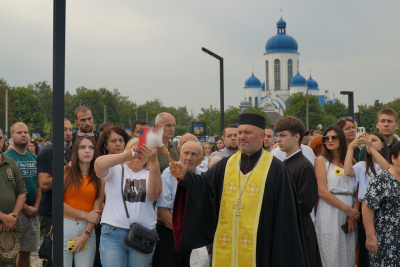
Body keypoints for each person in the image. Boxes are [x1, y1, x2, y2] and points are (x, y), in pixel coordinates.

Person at [169, 113, 308, 267]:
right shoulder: (226, 165)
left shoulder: (276, 169)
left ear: (262, 136)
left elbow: (285, 218)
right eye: (239, 132)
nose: (242, 136)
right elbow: (204, 187)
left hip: (261, 248)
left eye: (247, 132)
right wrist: (186, 177)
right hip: (227, 244)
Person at [94, 138, 162, 267]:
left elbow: (154, 194)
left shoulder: (150, 173)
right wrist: (128, 155)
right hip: (113, 234)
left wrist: (154, 160)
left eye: (144, 151)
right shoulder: (116, 170)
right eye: (137, 149)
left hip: (142, 236)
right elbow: (98, 165)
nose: (140, 154)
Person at [274, 116, 322, 267]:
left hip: (299, 229)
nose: (278, 140)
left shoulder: (304, 166)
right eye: (277, 135)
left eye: (283, 135)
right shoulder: (283, 164)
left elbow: (305, 203)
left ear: (296, 137)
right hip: (286, 227)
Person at [154, 136, 203, 267]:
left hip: (194, 237)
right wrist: (184, 232)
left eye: (194, 154)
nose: (189, 158)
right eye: (186, 153)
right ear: (180, 155)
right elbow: (163, 212)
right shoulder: (168, 174)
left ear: (201, 160)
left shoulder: (204, 176)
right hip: (171, 234)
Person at [314, 125, 359, 267]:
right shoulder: (322, 161)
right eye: (326, 138)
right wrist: (347, 209)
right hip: (329, 210)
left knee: (347, 252)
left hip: (349, 210)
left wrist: (353, 214)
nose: (330, 140)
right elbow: (322, 191)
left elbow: (358, 190)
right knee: (330, 253)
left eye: (334, 137)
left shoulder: (351, 162)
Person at [344, 132, 390, 267]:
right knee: (366, 251)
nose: (370, 143)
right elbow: (347, 172)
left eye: (374, 140)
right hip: (367, 212)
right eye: (368, 141)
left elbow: (388, 171)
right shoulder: (362, 165)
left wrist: (372, 148)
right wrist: (351, 147)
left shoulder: (391, 163)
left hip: (385, 212)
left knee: (385, 249)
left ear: (383, 145)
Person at [63, 135, 104, 266]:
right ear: (75, 151)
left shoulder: (99, 178)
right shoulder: (65, 172)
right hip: (64, 226)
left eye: (91, 147)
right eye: (82, 147)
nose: (87, 151)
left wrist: (85, 235)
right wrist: (84, 214)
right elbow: (58, 204)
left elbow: (96, 210)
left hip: (87, 230)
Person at [37, 118, 73, 267]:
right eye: (64, 129)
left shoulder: (69, 151)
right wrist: (67, 171)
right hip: (51, 213)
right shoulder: (47, 151)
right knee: (51, 257)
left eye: (70, 129)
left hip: (68, 210)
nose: (68, 133)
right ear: (53, 133)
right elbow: (44, 184)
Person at [5, 122, 40, 267]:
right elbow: (8, 188)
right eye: (19, 132)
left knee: (26, 252)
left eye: (25, 132)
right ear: (12, 136)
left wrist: (36, 207)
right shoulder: (7, 158)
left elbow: (39, 185)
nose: (24, 135)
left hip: (33, 213)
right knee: (9, 253)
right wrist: (24, 208)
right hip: (15, 213)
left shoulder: (34, 158)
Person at [362, 141, 400, 266]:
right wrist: (370, 236)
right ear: (393, 158)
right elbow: (367, 207)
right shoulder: (381, 180)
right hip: (386, 240)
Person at [0, 149, 27, 267]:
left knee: (9, 264)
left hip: (10, 228)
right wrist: (3, 217)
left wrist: (12, 218)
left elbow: (22, 192)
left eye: (0, 138)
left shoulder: (10, 163)